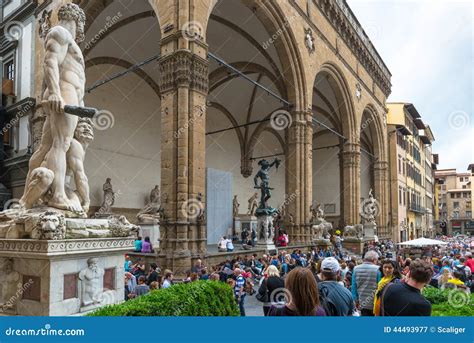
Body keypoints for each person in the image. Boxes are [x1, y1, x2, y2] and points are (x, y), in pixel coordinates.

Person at [351, 250, 381, 316]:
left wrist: (355, 300)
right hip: (374, 303)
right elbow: (380, 287)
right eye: (376, 260)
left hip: (362, 302)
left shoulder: (355, 269)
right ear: (374, 259)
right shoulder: (378, 269)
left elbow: (353, 286)